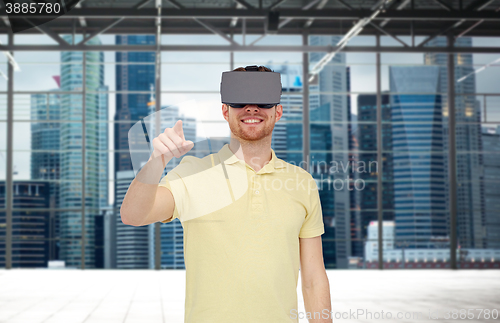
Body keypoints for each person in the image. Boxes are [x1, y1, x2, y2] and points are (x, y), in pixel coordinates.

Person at [120, 65, 332, 323]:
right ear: (225, 111)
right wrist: (157, 161)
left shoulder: (302, 183)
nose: (252, 109)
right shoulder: (194, 173)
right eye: (240, 101)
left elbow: (313, 279)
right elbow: (133, 215)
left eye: (263, 102)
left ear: (278, 112)